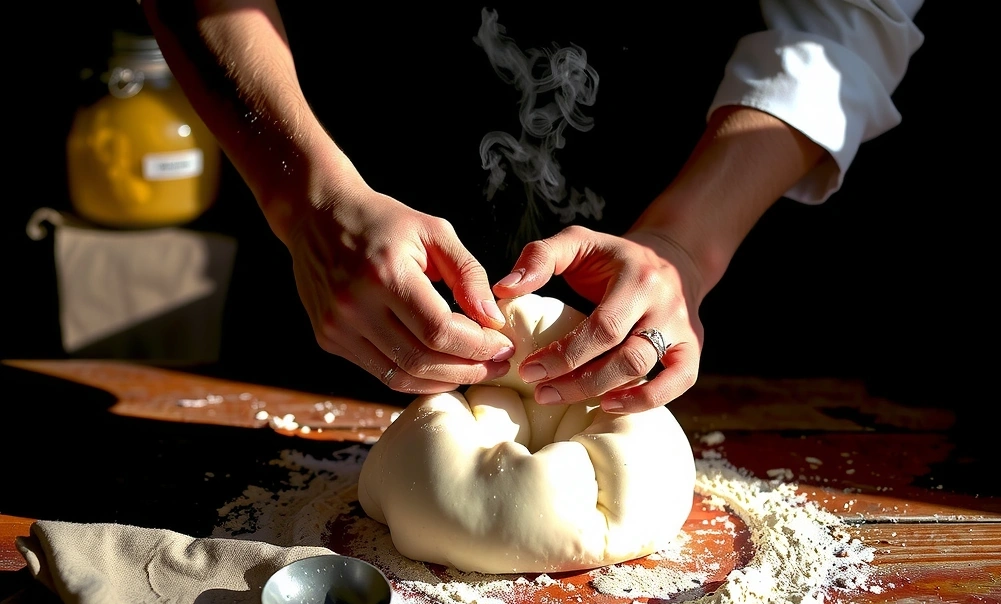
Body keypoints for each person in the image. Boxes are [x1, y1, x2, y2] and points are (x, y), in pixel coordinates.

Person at [140, 1, 925, 414]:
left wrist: (684, 250)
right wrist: (307, 198)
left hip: (697, 212)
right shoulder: (310, 202)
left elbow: (847, 25)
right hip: (318, 204)